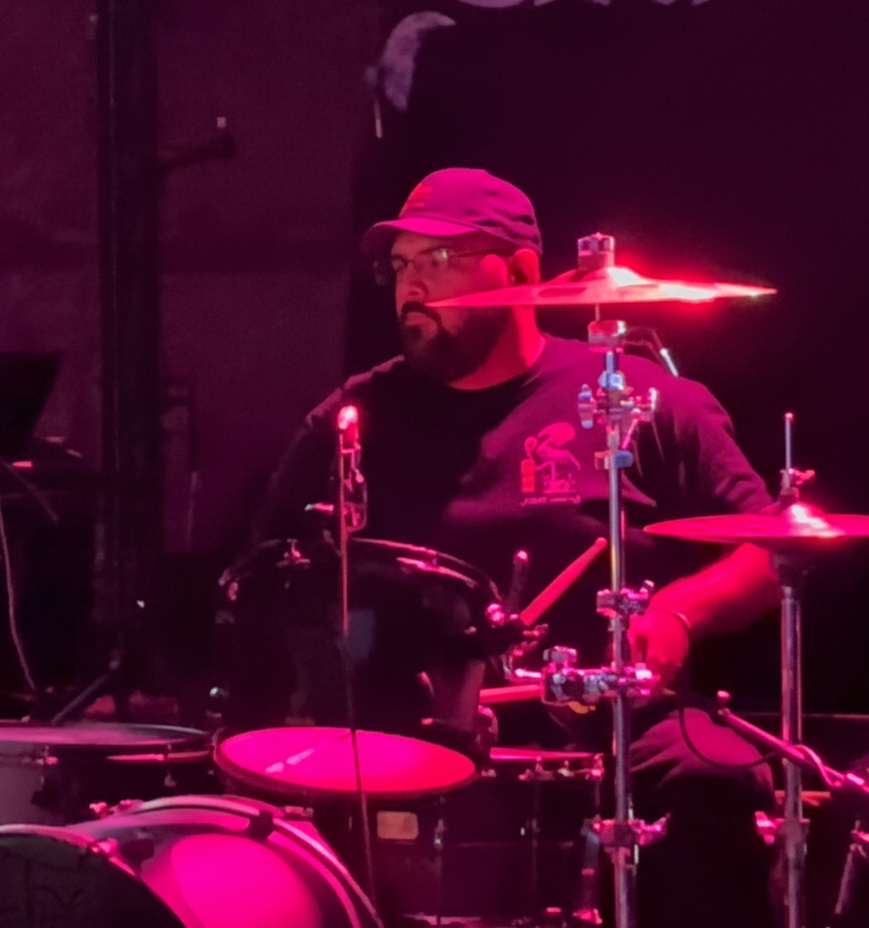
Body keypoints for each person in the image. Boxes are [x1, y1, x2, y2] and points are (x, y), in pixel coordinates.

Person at [255, 167, 782, 928]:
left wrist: (680, 614)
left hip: (610, 721)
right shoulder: (353, 422)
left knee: (717, 779)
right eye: (401, 265)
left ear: (523, 271)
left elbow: (766, 551)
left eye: (440, 260)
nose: (412, 286)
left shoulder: (639, 399)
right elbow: (269, 580)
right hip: (403, 728)